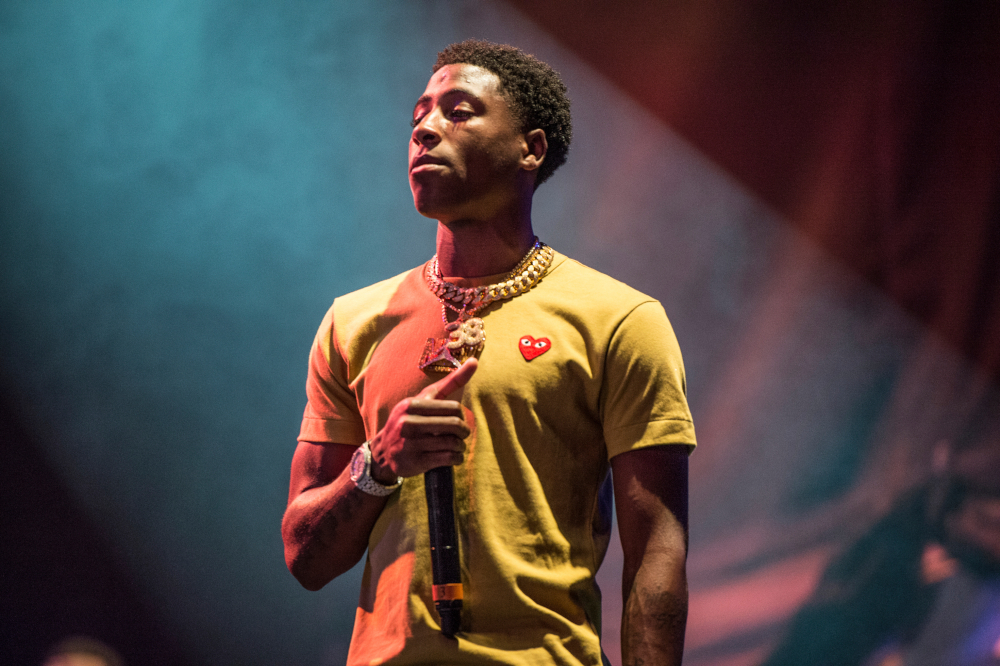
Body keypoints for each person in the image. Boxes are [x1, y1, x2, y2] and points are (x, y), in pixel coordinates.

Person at [282, 39, 696, 666]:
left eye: (458, 110)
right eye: (419, 113)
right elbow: (304, 559)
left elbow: (656, 552)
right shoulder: (352, 321)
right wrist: (377, 464)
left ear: (530, 148)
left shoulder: (619, 320)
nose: (424, 128)